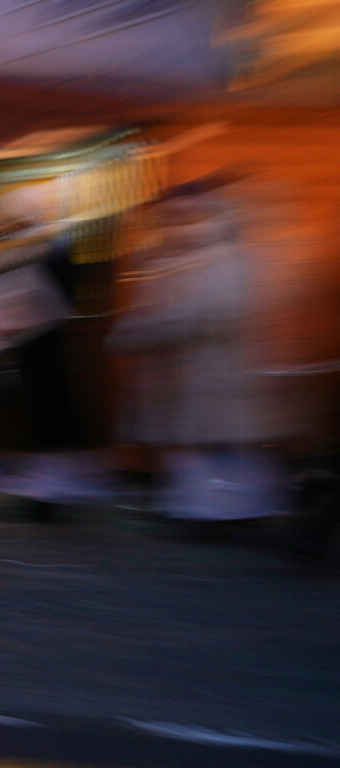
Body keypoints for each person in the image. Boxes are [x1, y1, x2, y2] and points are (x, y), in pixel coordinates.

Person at [110, 175, 285, 531]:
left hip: (212, 370)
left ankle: (226, 511)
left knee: (216, 443)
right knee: (194, 444)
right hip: (176, 372)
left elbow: (210, 315)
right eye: (170, 218)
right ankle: (205, 508)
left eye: (186, 218)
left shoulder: (222, 259)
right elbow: (154, 310)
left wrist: (147, 331)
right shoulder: (164, 259)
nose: (176, 226)